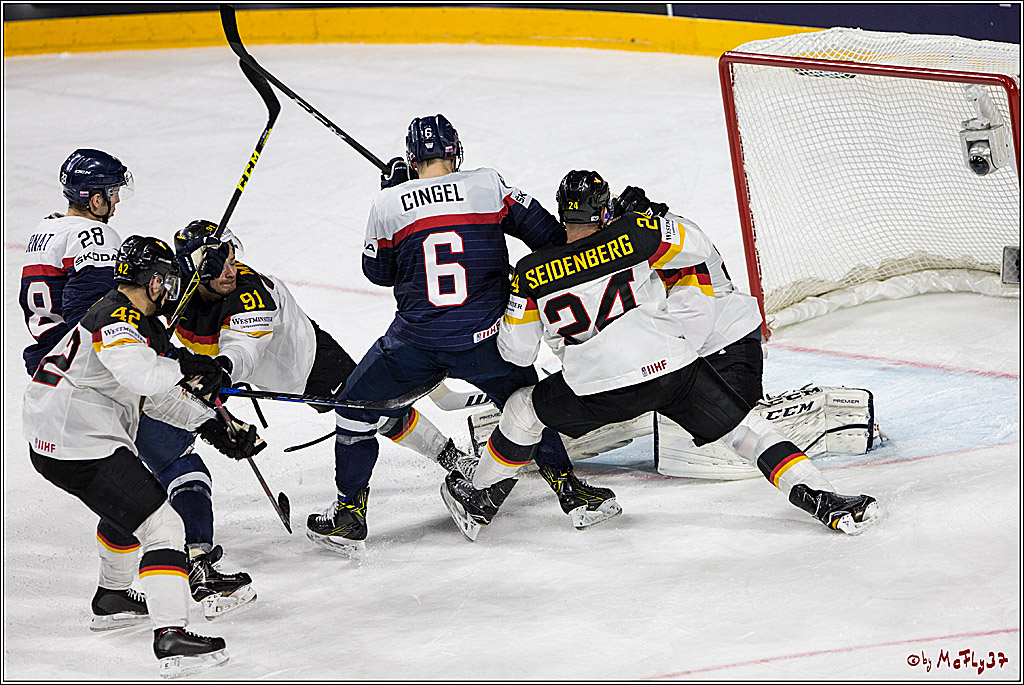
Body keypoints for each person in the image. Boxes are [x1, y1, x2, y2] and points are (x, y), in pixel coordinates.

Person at [443, 170, 880, 536]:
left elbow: (517, 355)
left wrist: (511, 305)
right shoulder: (634, 234)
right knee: (748, 433)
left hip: (596, 392)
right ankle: (822, 498)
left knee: (523, 409)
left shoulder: (530, 273)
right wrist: (653, 216)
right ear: (604, 210)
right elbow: (699, 248)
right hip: (672, 373)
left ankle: (480, 497)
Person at [314, 114, 619, 552]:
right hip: (486, 341)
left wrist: (395, 194)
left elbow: (378, 272)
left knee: (354, 408)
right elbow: (551, 238)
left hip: (415, 345)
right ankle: (572, 494)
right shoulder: (488, 186)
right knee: (528, 407)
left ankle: (349, 515)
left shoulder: (389, 204)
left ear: (412, 157)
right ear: (455, 150)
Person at [18, 149, 255, 623]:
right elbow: (112, 318)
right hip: (91, 387)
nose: (118, 201)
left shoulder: (45, 232)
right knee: (165, 494)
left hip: (61, 377)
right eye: (113, 193)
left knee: (128, 490)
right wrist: (168, 348)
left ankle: (113, 594)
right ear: (95, 196)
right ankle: (193, 580)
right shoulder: (96, 237)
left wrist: (205, 417)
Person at [171, 219, 469, 556]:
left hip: (306, 361)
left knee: (371, 407)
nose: (231, 269)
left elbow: (243, 352)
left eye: (231, 256)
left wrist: (221, 374)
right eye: (220, 261)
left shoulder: (247, 294)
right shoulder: (174, 290)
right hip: (247, 366)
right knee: (367, 408)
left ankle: (450, 458)